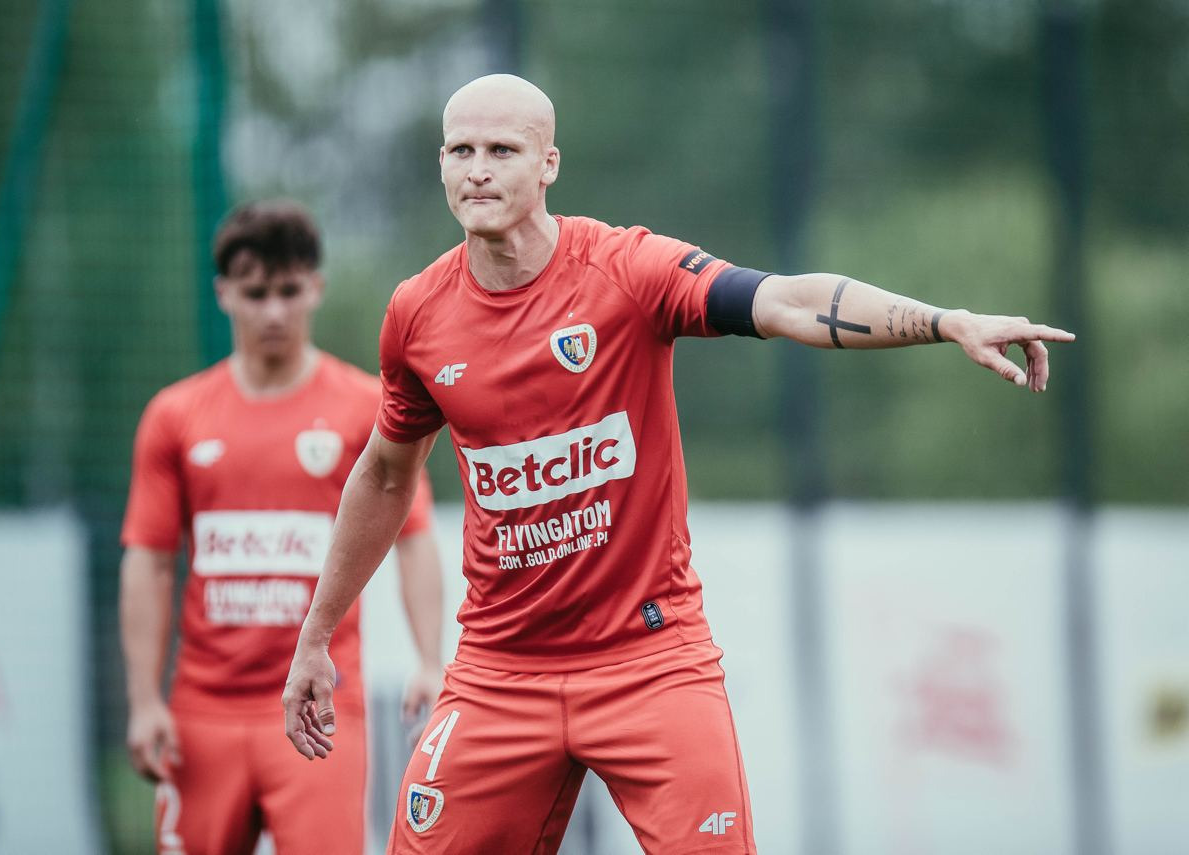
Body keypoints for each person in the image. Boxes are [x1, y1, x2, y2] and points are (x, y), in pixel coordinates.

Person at [282, 75, 1075, 854]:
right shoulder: (417, 313)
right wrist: (316, 634)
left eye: (502, 150)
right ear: (441, 163)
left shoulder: (627, 270)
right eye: (461, 150)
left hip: (650, 661)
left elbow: (788, 301)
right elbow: (386, 473)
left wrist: (943, 321)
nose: (478, 170)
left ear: (549, 163)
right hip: (501, 669)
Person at [120, 200, 445, 855]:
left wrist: (430, 659)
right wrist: (144, 700)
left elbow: (414, 539)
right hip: (203, 713)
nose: (273, 311)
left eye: (289, 291)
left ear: (316, 288)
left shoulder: (366, 407)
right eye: (256, 293)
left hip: (322, 707)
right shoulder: (174, 416)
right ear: (224, 294)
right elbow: (149, 561)